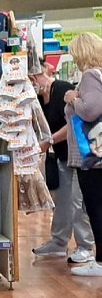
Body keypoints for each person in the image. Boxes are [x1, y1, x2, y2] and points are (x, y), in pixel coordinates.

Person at [30, 65, 94, 265]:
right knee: (63, 202)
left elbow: (73, 124)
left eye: (33, 80)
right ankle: (59, 242)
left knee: (77, 202)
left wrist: (48, 141)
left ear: (39, 75)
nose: (32, 85)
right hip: (61, 156)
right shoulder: (40, 99)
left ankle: (85, 246)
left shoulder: (63, 90)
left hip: (78, 155)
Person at [64, 32, 102, 277]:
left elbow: (90, 110)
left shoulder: (89, 76)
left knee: (95, 208)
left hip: (92, 157)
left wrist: (71, 99)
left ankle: (100, 262)